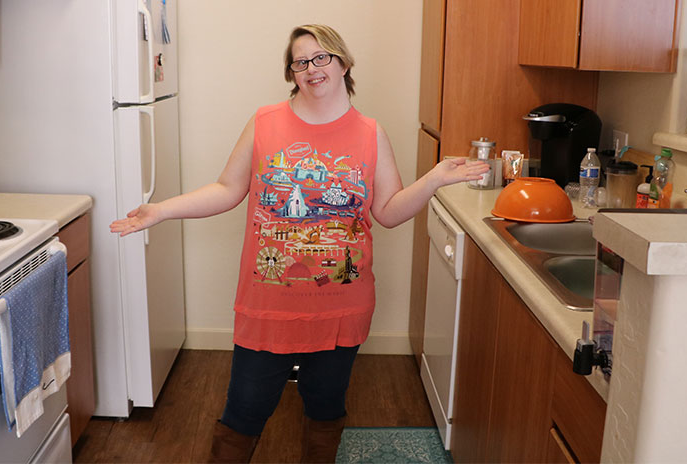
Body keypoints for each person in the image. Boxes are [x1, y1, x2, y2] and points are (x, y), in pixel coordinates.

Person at [110, 24, 489, 463]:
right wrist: (161, 210)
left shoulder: (370, 133)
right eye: (300, 61)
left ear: (343, 63)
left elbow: (387, 211)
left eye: (322, 57)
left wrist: (434, 180)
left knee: (325, 407)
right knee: (244, 411)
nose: (312, 68)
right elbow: (227, 190)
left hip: (341, 307)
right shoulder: (266, 122)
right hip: (268, 303)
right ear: (291, 73)